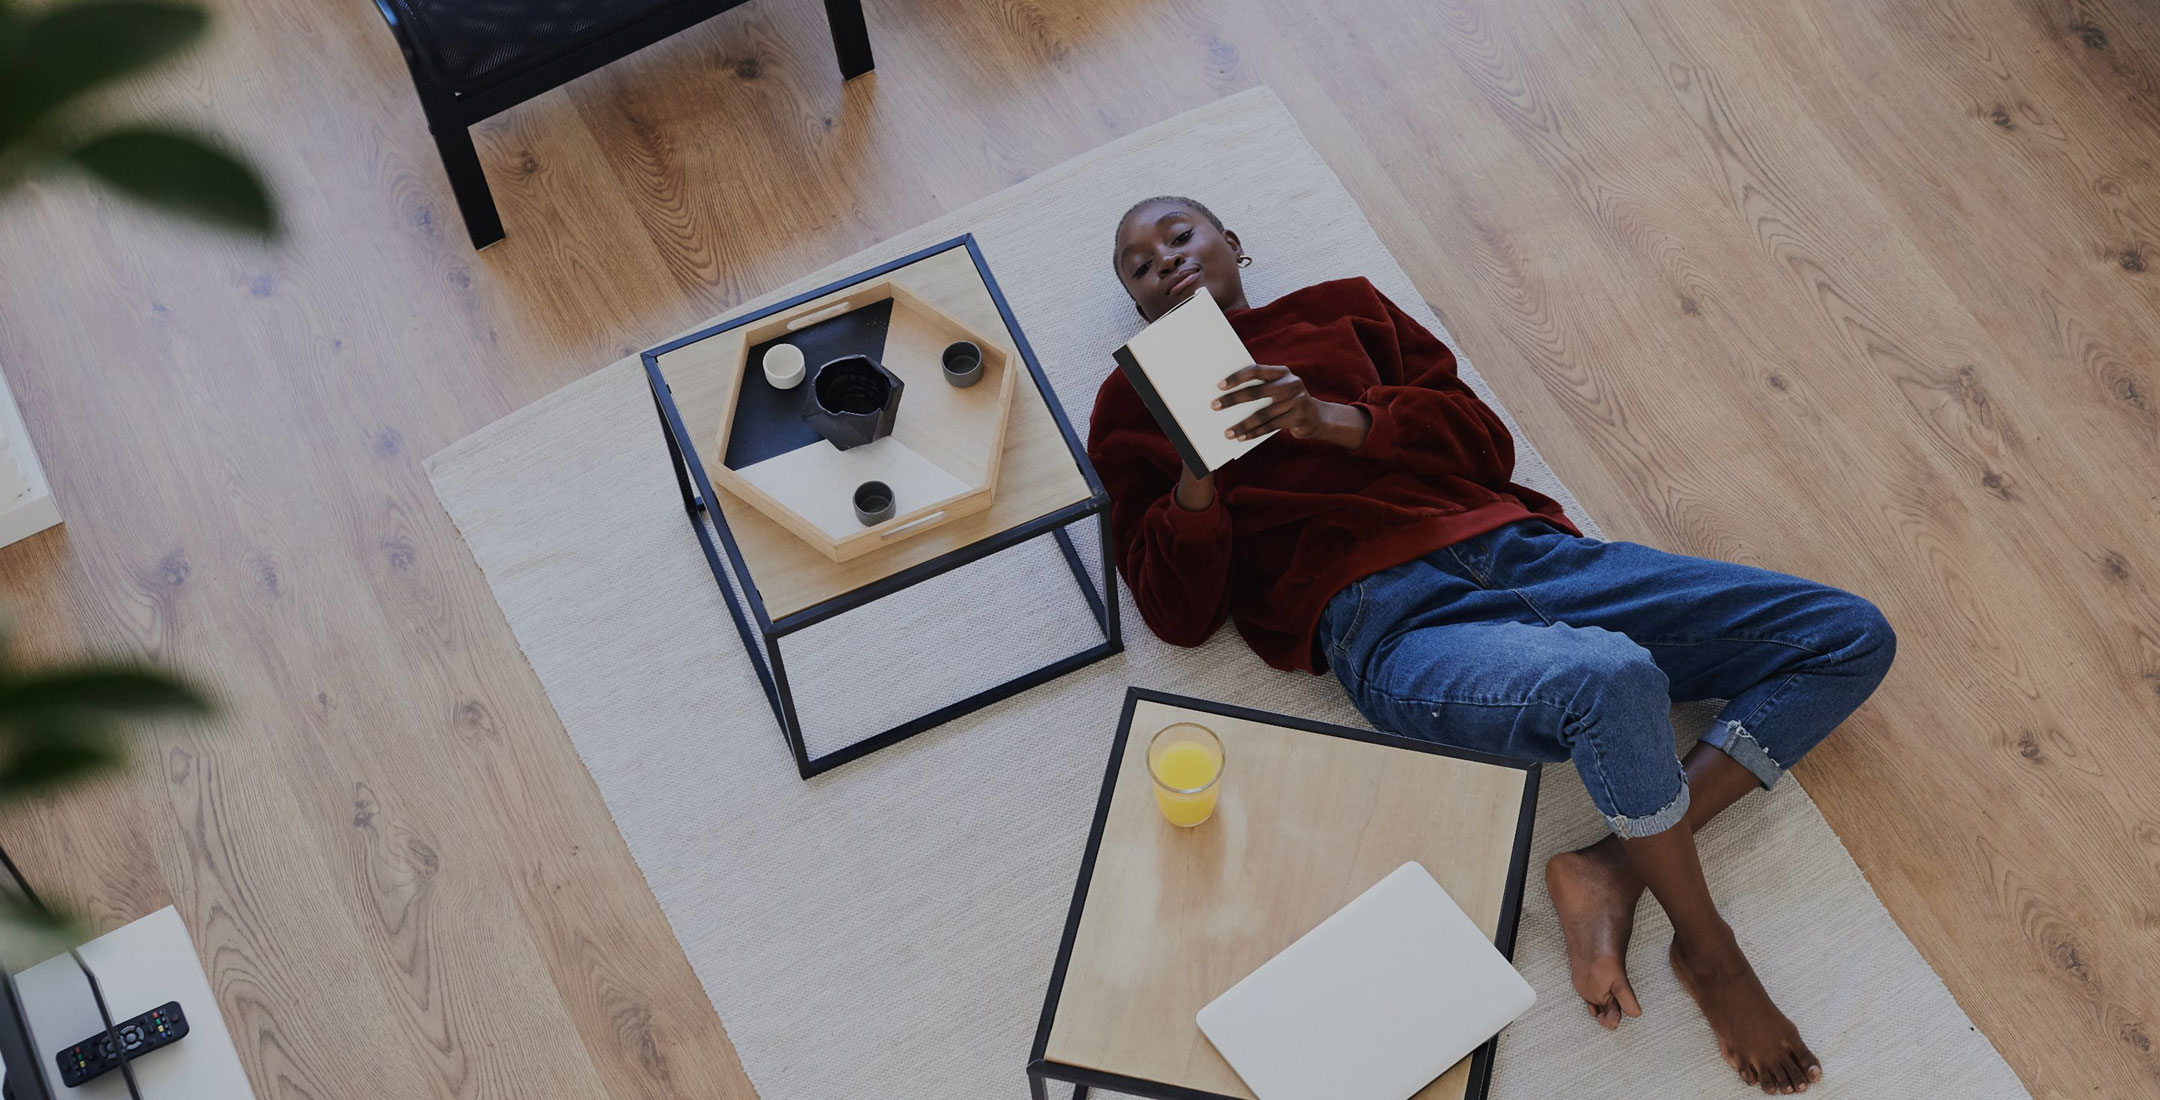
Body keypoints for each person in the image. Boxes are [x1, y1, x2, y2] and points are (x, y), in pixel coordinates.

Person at [1089, 196, 1897, 1096]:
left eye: (1178, 235)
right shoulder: (1129, 406)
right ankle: (1711, 953)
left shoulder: (1345, 306)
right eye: (1138, 265)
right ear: (1137, 305)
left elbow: (1483, 440)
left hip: (1524, 553)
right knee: (1612, 679)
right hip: (1384, 623)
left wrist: (1335, 420)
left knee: (1848, 635)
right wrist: (1198, 480)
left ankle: (1612, 868)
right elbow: (1177, 615)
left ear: (1232, 244)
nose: (1162, 259)